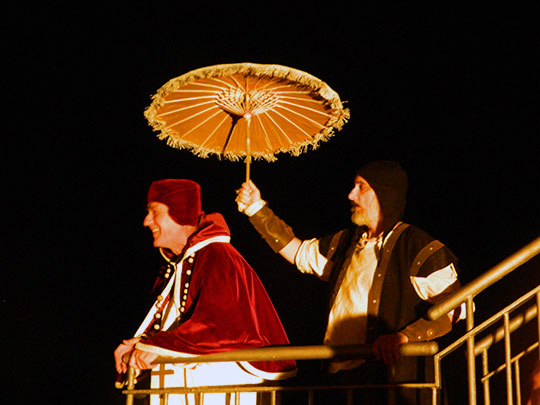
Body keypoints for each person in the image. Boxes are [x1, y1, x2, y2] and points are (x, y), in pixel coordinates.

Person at [235, 160, 463, 404]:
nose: (351, 194)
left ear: (383, 193)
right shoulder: (345, 242)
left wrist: (405, 336)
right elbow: (300, 253)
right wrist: (256, 209)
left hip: (392, 383)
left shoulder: (417, 247)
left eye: (361, 187)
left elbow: (453, 308)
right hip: (343, 379)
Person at [114, 179, 297, 405]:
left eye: (154, 212)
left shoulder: (217, 256)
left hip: (221, 388)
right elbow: (181, 325)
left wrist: (156, 346)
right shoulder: (182, 263)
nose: (146, 221)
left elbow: (219, 325)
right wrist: (142, 342)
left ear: (179, 213)